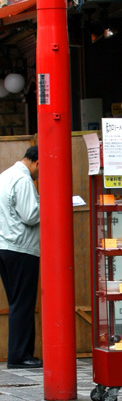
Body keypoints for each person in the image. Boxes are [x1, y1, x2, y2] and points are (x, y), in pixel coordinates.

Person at [0, 145, 42, 369]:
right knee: (23, 304)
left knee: (17, 303)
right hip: (21, 248)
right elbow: (30, 215)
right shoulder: (24, 180)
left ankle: (20, 354)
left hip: (4, 246)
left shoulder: (5, 175)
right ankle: (21, 356)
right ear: (37, 162)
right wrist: (49, 203)